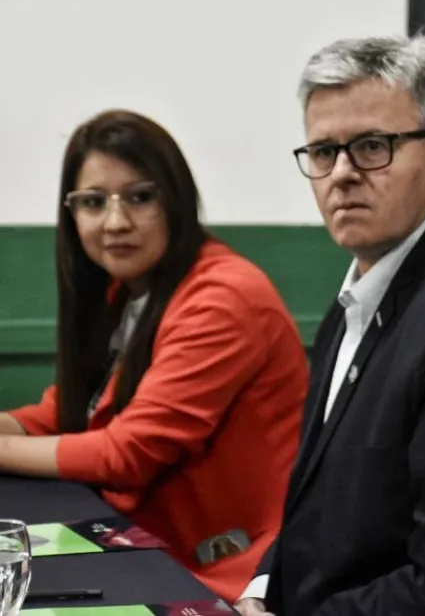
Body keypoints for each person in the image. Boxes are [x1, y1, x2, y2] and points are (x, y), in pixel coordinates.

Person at [234, 35, 425, 616]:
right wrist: (261, 589)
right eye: (323, 151)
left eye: (371, 146)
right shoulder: (362, 290)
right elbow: (314, 503)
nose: (341, 174)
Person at [0, 110, 309, 602]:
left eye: (140, 197)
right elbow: (70, 408)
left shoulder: (224, 295)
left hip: (227, 571)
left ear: (176, 201)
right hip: (143, 542)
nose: (116, 221)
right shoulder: (126, 292)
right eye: (94, 202)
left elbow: (129, 452)